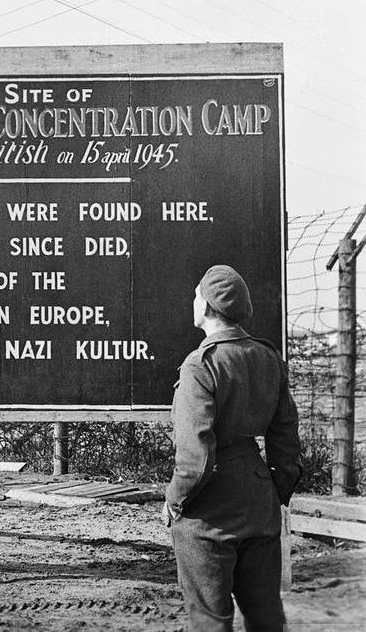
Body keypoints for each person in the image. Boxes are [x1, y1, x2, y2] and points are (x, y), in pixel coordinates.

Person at [163, 264, 302, 632]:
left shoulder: (200, 365)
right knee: (266, 617)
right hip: (259, 501)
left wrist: (175, 501)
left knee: (210, 620)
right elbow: (286, 437)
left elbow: (196, 458)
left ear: (208, 306)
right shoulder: (268, 358)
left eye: (196, 295)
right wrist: (276, 493)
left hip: (209, 511)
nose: (193, 301)